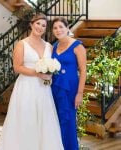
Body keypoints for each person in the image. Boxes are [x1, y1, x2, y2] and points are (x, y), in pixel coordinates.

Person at [0, 13, 64, 150]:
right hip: (26, 86)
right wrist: (37, 73)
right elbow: (17, 67)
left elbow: (51, 66)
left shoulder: (49, 46)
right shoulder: (21, 44)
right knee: (26, 118)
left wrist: (49, 75)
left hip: (43, 89)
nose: (40, 27)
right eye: (38, 24)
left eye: (43, 26)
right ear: (31, 24)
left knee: (44, 119)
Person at [51, 17, 87, 150]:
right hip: (54, 87)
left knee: (68, 121)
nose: (58, 30)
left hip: (70, 89)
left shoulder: (78, 46)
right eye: (55, 28)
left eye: (61, 27)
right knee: (56, 121)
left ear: (67, 28)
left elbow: (83, 71)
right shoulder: (54, 47)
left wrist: (80, 93)